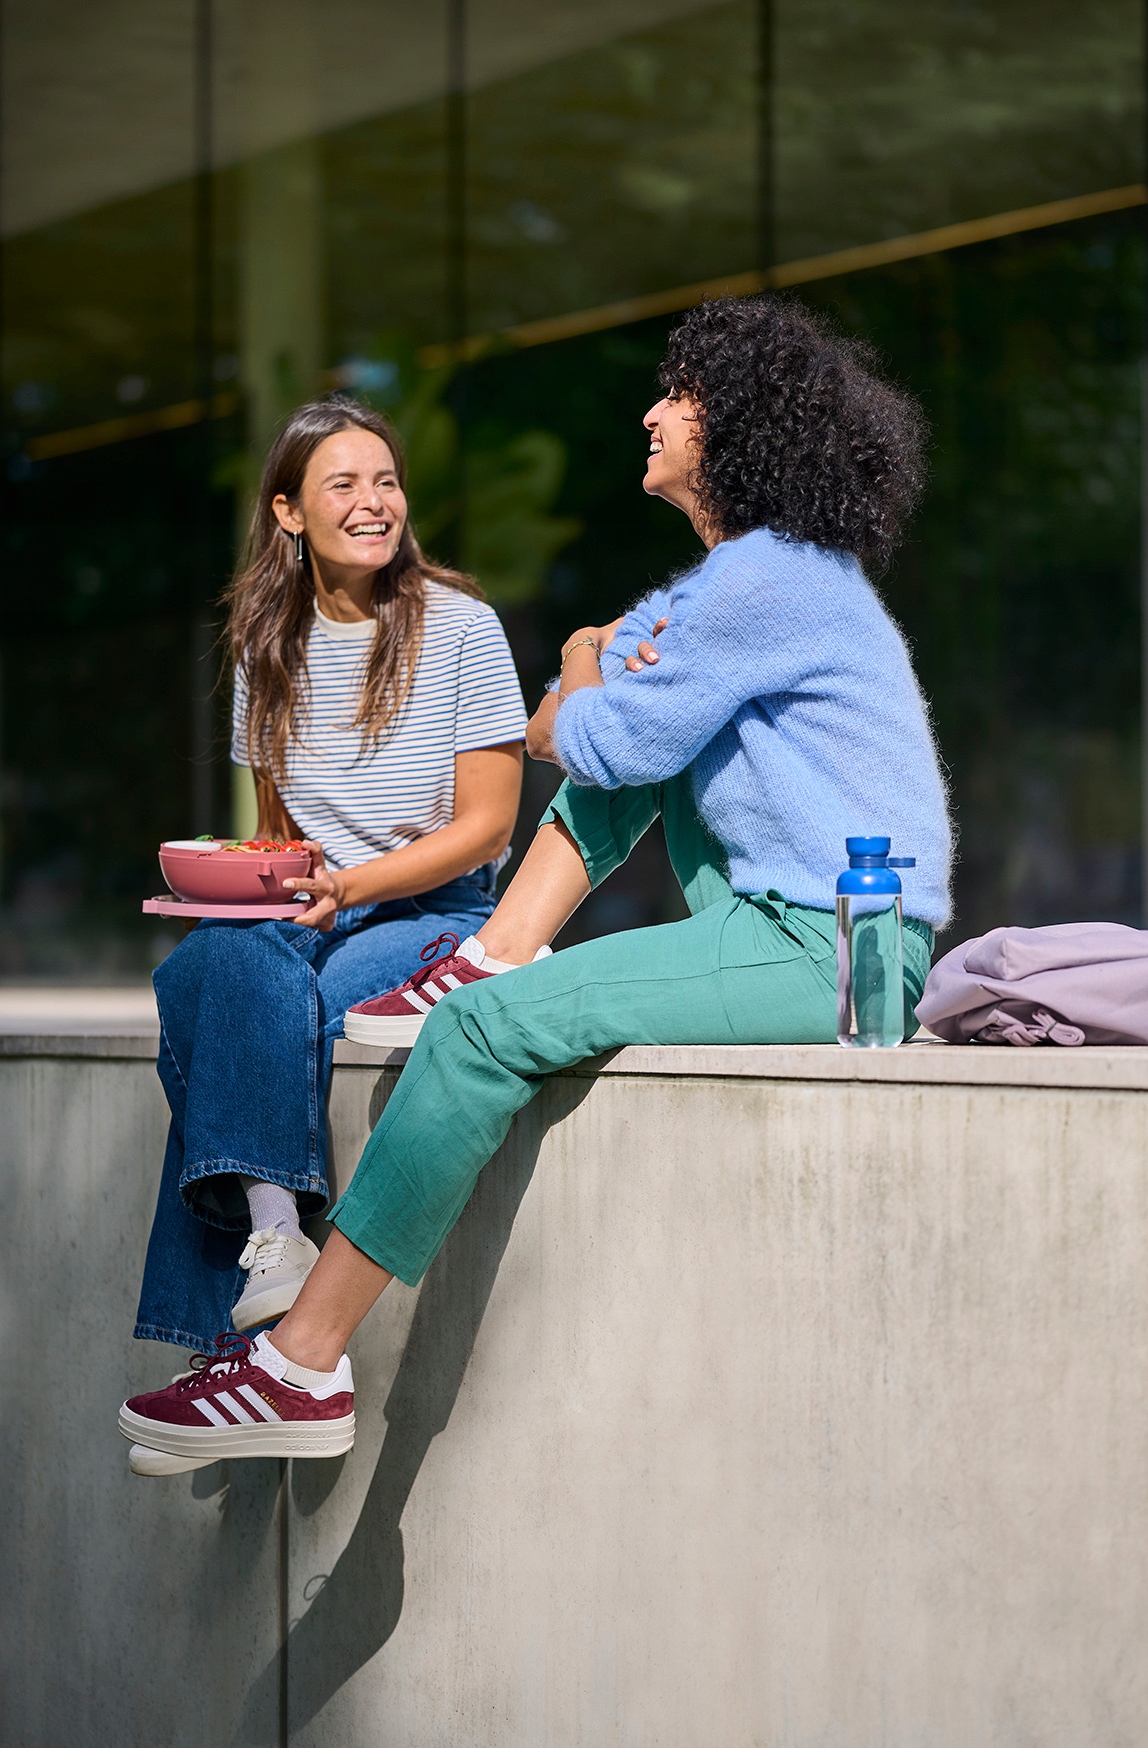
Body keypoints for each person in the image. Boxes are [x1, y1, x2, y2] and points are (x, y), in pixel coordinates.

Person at [120, 296, 952, 1472]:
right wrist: (593, 678)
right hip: (777, 927)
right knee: (239, 969)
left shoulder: (764, 582)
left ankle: (299, 1364)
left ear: (735, 425)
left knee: (477, 1027)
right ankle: (498, 948)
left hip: (831, 947)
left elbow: (582, 732)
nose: (651, 412)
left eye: (679, 396)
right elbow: (590, 723)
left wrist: (577, 662)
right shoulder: (738, 582)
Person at [131, 395, 528, 1384]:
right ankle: (277, 1235)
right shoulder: (264, 643)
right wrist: (253, 884)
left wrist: (349, 885)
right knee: (215, 965)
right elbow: (278, 836)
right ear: (288, 511)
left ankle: (227, 1348)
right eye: (343, 484)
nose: (372, 501)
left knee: (255, 1004)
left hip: (435, 910)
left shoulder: (462, 628)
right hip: (310, 906)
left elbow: (486, 826)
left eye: (386, 481)